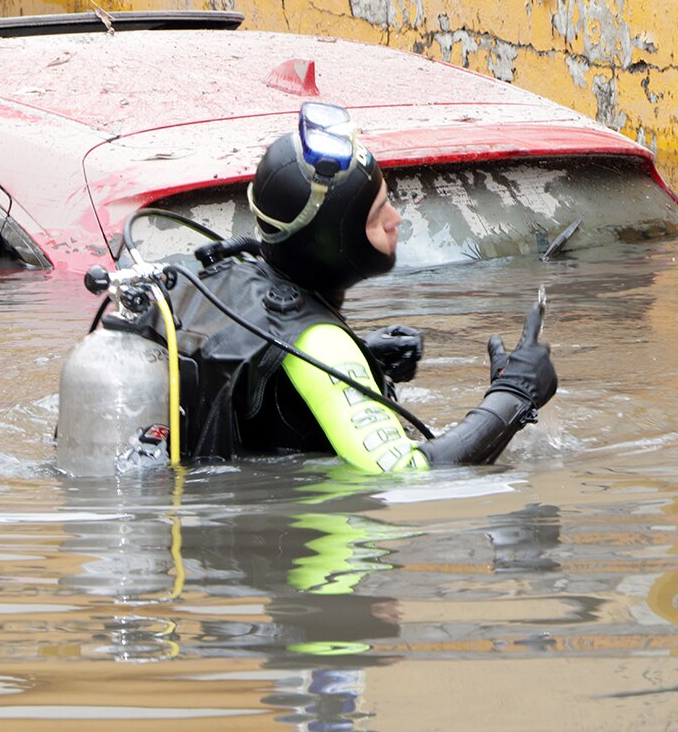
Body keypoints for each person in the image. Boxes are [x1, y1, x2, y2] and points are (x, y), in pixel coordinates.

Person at [164, 102, 557, 471]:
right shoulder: (319, 347)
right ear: (333, 242)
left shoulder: (220, 282)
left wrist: (363, 357)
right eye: (376, 215)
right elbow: (409, 474)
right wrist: (514, 395)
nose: (396, 219)